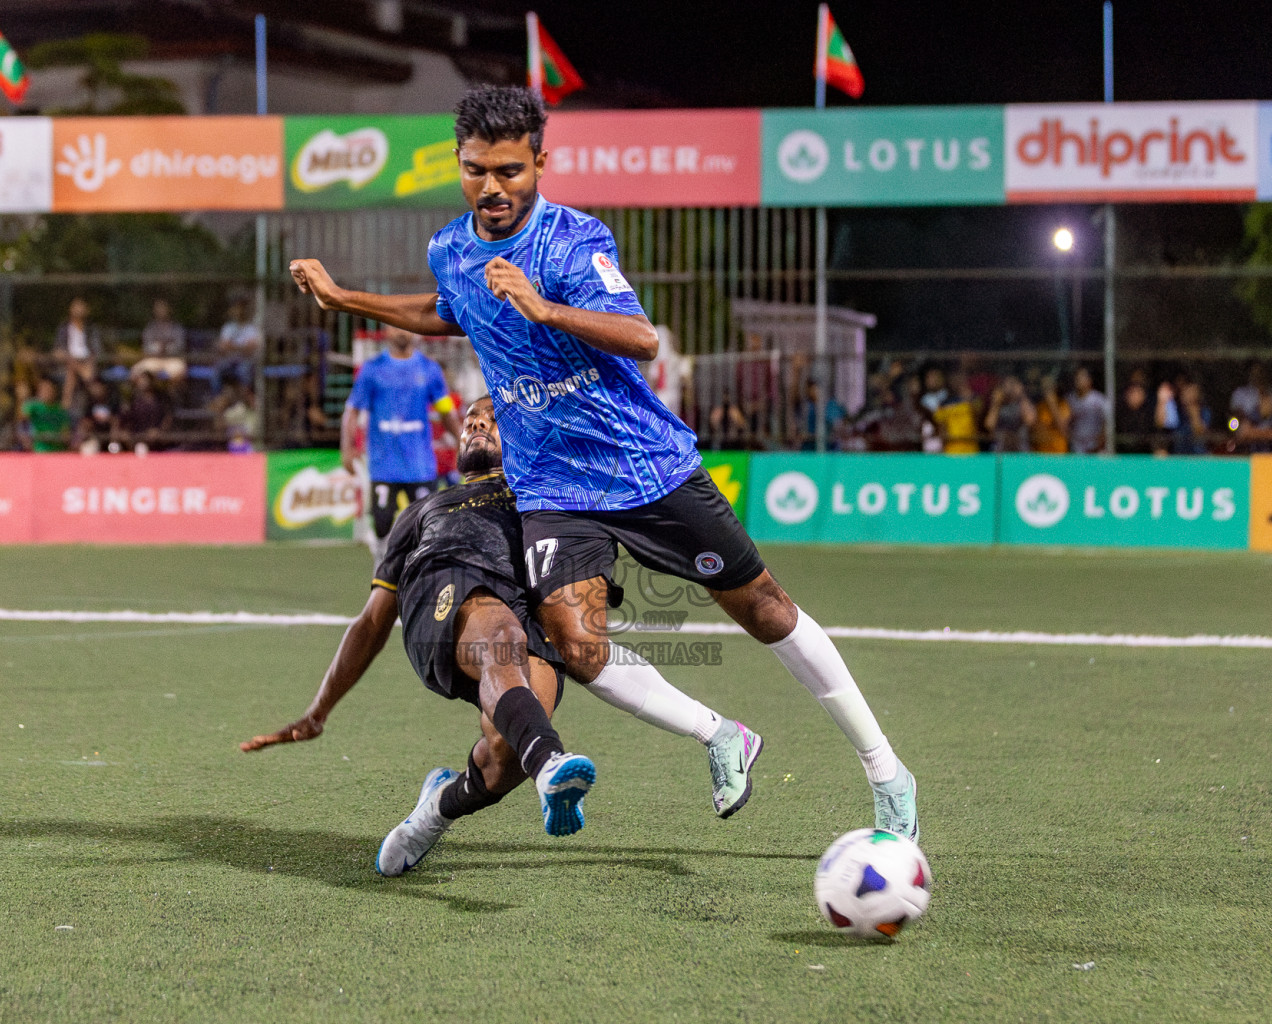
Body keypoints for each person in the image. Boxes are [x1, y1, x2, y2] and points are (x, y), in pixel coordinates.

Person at [289, 85, 913, 838]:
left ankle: (886, 770)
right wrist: (345, 298)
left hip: (644, 467)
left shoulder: (573, 242)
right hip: (550, 484)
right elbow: (446, 310)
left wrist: (544, 309)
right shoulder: (451, 249)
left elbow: (642, 338)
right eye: (476, 169)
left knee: (766, 610)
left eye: (510, 171)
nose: (492, 187)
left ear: (541, 164)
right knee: (579, 647)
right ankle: (721, 734)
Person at [242, 398, 601, 874]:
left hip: (524, 614)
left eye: (493, 418)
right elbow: (372, 621)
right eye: (473, 418)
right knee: (501, 638)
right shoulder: (425, 510)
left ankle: (435, 812)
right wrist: (319, 711)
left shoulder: (541, 498)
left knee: (506, 753)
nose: (477, 421)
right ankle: (551, 761)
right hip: (446, 591)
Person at [342, 326, 462, 557]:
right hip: (383, 466)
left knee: (427, 527)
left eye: (406, 327)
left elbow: (445, 409)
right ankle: (381, 568)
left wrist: (461, 441)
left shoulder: (429, 369)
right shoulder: (372, 370)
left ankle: (423, 575)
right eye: (395, 326)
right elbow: (352, 411)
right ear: (385, 330)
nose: (402, 332)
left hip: (420, 466)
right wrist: (347, 448)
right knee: (382, 524)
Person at [56, 298, 101, 408]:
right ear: (70, 310)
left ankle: (65, 404)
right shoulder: (64, 328)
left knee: (73, 371)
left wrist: (90, 361)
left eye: (81, 307)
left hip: (86, 361)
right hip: (68, 362)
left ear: (87, 310)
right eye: (76, 307)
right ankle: (89, 381)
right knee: (71, 368)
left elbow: (97, 351)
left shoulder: (92, 329)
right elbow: (58, 349)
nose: (78, 310)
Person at [133, 299, 188, 383]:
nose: (161, 311)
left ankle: (169, 393)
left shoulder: (177, 328)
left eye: (163, 308)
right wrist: (158, 348)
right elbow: (146, 346)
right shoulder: (150, 328)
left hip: (172, 359)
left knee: (179, 371)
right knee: (138, 371)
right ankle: (148, 394)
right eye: (158, 309)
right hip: (154, 359)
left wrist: (167, 348)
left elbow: (180, 345)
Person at [116, 370, 172, 452]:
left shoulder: (160, 399)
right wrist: (125, 433)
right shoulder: (133, 400)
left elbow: (168, 417)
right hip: (136, 437)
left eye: (146, 379)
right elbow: (124, 419)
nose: (143, 382)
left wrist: (159, 431)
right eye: (141, 380)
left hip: (156, 437)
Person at [214, 299, 261, 393]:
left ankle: (246, 400)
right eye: (236, 309)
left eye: (241, 309)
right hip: (229, 360)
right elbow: (223, 346)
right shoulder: (228, 327)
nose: (238, 312)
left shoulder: (252, 328)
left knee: (244, 372)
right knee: (218, 372)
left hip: (246, 361)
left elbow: (251, 348)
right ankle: (218, 398)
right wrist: (242, 346)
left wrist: (232, 346)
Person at [984, 375, 1035, 452]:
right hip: (1000, 450)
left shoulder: (1023, 403)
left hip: (1020, 450)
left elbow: (1030, 420)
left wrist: (1022, 396)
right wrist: (996, 403)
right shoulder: (998, 404)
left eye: (1013, 385)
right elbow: (989, 425)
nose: (1010, 389)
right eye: (1006, 385)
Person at [933, 374, 981, 455]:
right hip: (952, 451)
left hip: (971, 450)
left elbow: (979, 414)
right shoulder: (944, 404)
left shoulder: (974, 401)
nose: (958, 383)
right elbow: (941, 429)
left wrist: (969, 399)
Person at [20, 377, 71, 452]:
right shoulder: (32, 407)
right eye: (43, 389)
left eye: (49, 389)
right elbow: (21, 422)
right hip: (40, 450)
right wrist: (27, 438)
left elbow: (66, 433)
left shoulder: (60, 410)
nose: (46, 392)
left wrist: (57, 437)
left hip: (58, 451)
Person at [1065, 368, 1109, 454]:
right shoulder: (1069, 399)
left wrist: (1099, 444)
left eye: (1082, 378)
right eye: (1077, 378)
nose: (1078, 381)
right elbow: (1065, 423)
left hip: (1096, 447)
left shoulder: (1099, 400)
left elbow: (1107, 423)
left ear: (1089, 380)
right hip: (1076, 446)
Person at [1030, 374, 1070, 453]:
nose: (1046, 390)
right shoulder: (1039, 407)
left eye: (1048, 387)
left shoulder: (1063, 404)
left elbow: (1064, 430)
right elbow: (1034, 431)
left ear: (1054, 387)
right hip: (1041, 454)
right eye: (1044, 387)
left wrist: (1052, 404)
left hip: (1058, 454)